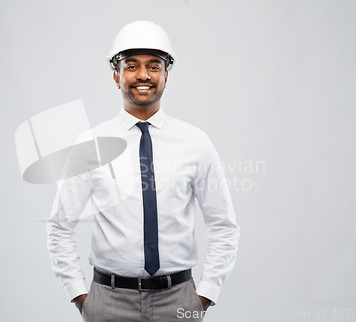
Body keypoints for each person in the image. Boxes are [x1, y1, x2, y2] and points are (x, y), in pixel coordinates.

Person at [47, 20, 240, 322]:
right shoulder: (90, 145)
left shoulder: (196, 143)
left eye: (154, 66)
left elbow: (223, 225)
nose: (142, 75)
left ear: (166, 75)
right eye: (131, 65)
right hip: (108, 301)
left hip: (178, 300)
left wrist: (204, 295)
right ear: (116, 75)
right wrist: (82, 297)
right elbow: (60, 226)